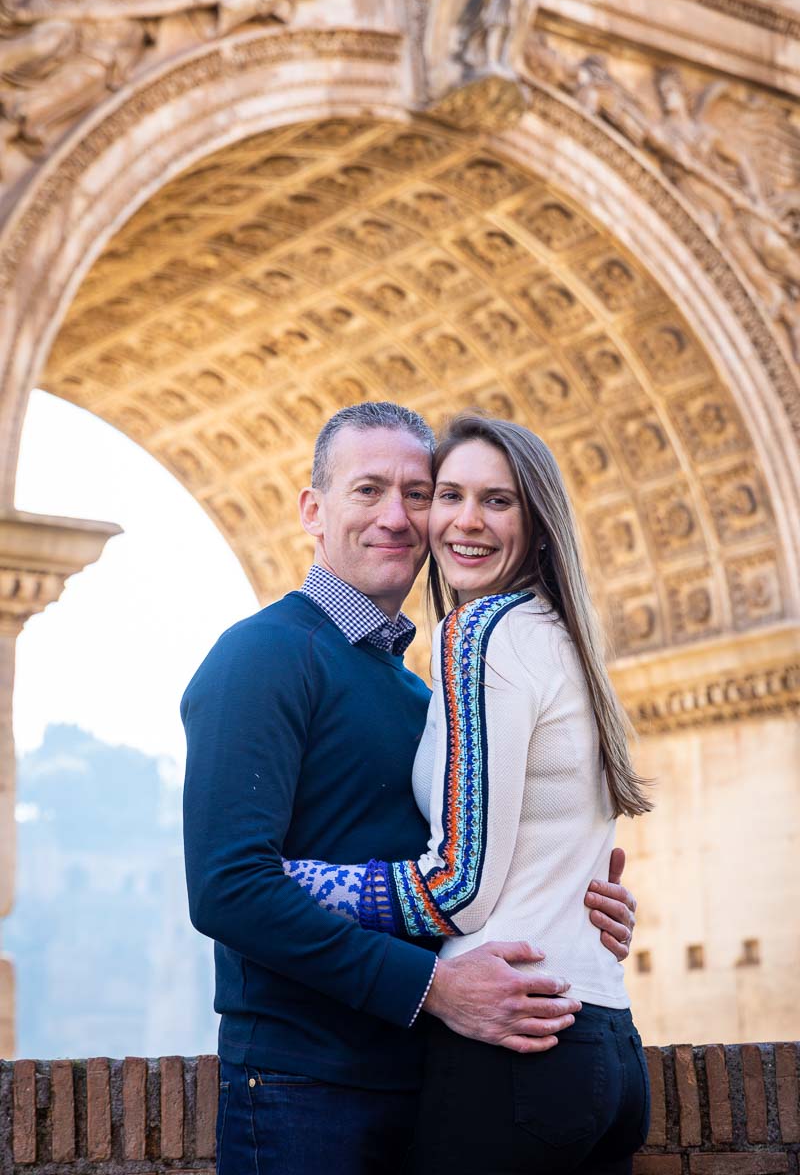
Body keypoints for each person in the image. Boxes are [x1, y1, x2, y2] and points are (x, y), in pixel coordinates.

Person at [182, 402, 639, 1175]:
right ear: (312, 511)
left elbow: (468, 863)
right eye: (367, 490)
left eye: (418, 493)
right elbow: (228, 890)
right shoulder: (261, 655)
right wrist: (433, 988)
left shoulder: (425, 693)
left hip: (435, 1069)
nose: (397, 516)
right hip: (303, 1086)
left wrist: (577, 897)